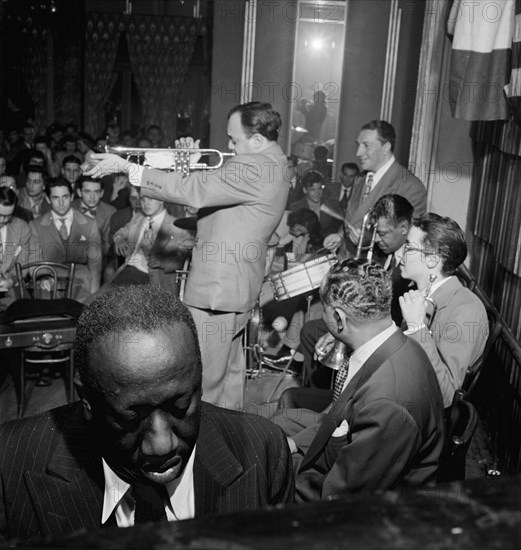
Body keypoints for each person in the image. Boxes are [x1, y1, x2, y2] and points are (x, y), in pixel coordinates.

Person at [0, 285, 294, 540]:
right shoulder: (9, 464)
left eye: (179, 406)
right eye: (131, 417)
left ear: (200, 381)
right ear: (87, 400)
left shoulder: (263, 450)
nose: (161, 445)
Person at [85, 101, 289, 410]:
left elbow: (196, 191)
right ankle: (228, 444)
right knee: (230, 377)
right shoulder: (275, 162)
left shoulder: (255, 165)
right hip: (236, 285)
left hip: (217, 288)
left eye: (234, 140)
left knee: (203, 381)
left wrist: (129, 167)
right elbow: (213, 201)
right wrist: (188, 164)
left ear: (257, 140)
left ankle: (203, 451)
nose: (229, 147)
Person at [273, 259, 444, 501]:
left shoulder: (387, 404)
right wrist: (292, 445)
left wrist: (276, 469)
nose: (322, 317)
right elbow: (341, 419)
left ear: (340, 318)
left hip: (369, 512)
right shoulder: (391, 344)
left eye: (324, 310)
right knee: (268, 431)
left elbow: (337, 497)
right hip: (351, 465)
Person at [274, 194, 416, 385]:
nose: (376, 239)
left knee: (315, 331)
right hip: (364, 320)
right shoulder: (381, 251)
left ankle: (330, 397)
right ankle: (321, 391)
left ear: (404, 228)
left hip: (381, 332)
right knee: (310, 330)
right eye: (374, 232)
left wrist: (343, 331)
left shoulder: (411, 265)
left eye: (382, 233)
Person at [399, 213, 489, 407]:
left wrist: (417, 327)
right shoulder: (420, 293)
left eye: (408, 247)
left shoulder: (467, 311)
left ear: (432, 260)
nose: (400, 253)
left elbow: (446, 395)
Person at [324, 120, 427, 257]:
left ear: (386, 147)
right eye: (358, 145)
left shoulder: (411, 187)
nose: (358, 153)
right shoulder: (360, 179)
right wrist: (340, 235)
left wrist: (369, 240)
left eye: (366, 146)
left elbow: (408, 240)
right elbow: (354, 219)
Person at [30, 177, 102, 302]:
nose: (61, 203)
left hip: (80, 278)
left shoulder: (89, 224)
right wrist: (43, 277)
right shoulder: (35, 225)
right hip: (49, 276)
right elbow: (34, 258)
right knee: (46, 310)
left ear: (72, 196)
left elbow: (95, 264)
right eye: (55, 198)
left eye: (65, 197)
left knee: (81, 308)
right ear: (48, 199)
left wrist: (93, 297)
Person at [108, 190, 194, 293]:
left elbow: (187, 261)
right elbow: (122, 232)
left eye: (151, 199)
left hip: (154, 281)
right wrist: (120, 239)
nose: (145, 203)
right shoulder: (138, 217)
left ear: (162, 200)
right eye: (143, 199)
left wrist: (164, 262)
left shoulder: (177, 226)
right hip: (127, 272)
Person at [0, 187, 38, 310]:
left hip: (9, 288)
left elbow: (22, 264)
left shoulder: (22, 228)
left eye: (7, 216)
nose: (2, 220)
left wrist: (13, 280)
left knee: (25, 313)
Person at [73, 175, 116, 277]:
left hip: (102, 258)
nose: (92, 197)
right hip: (73, 258)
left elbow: (108, 245)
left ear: (102, 193)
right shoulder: (69, 209)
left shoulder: (110, 212)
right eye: (87, 192)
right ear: (79, 192)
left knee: (110, 271)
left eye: (96, 192)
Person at [290, 170, 342, 237]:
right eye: (313, 189)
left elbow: (342, 226)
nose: (317, 193)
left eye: (319, 188)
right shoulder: (295, 208)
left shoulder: (333, 205)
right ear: (305, 190)